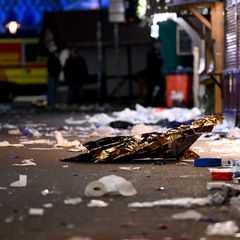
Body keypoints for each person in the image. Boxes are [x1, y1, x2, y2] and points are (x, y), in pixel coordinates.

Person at [146, 40, 165, 106]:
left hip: (157, 74)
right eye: (159, 44)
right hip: (152, 74)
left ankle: (156, 102)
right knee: (151, 89)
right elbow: (154, 63)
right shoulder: (151, 52)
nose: (160, 45)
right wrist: (160, 62)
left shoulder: (158, 52)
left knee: (162, 87)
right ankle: (149, 103)